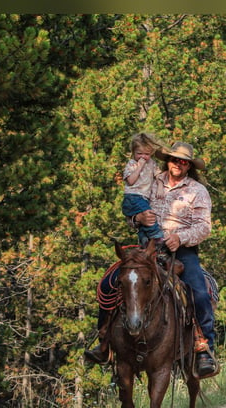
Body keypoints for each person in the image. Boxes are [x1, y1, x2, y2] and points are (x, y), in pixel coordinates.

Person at [85, 141, 219, 378]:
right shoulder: (151, 179)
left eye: (183, 161)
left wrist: (180, 237)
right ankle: (104, 342)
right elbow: (131, 207)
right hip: (146, 248)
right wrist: (138, 219)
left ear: (189, 166)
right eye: (175, 159)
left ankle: (203, 347)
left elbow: (204, 228)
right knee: (110, 283)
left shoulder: (198, 191)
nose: (178, 164)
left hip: (181, 250)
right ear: (168, 160)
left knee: (199, 290)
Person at [121, 132, 164, 246]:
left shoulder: (152, 164)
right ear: (133, 152)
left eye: (147, 154)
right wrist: (139, 167)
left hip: (144, 197)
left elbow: (159, 175)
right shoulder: (132, 164)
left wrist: (160, 186)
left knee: (143, 224)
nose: (143, 157)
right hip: (133, 196)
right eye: (139, 153)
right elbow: (130, 181)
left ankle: (144, 240)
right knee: (148, 214)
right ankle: (157, 237)